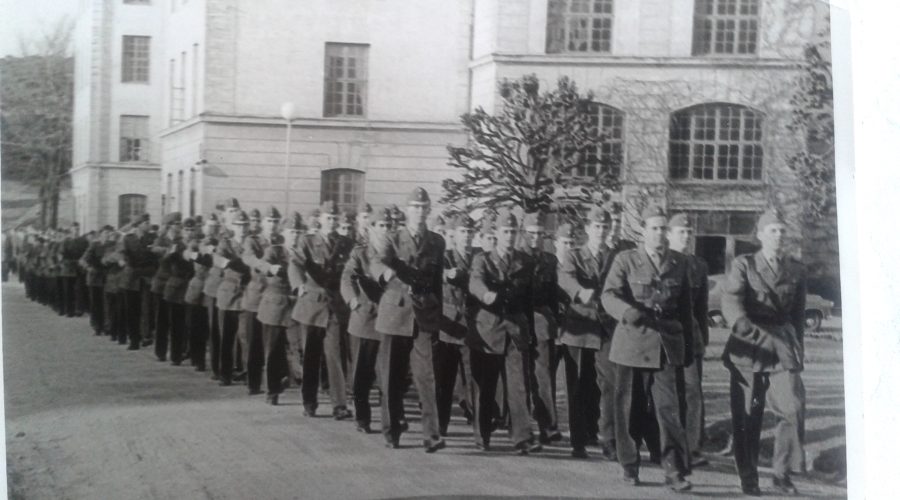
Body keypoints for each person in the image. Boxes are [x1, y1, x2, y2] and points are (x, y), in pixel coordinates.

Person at [601, 205, 693, 493]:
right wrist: (627, 312)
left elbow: (686, 308)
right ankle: (629, 463)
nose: (659, 234)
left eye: (663, 229)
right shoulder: (626, 260)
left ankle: (673, 469)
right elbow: (608, 295)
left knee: (670, 409)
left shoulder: (679, 262)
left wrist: (688, 347)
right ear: (642, 230)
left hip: (667, 344)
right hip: (633, 341)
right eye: (653, 228)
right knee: (630, 408)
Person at [722, 209, 807, 496]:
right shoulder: (744, 264)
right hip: (750, 345)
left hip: (782, 347)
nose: (779, 235)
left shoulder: (795, 269)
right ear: (760, 235)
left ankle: (782, 474)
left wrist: (799, 351)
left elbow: (797, 316)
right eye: (772, 230)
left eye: (782, 230)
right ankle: (748, 475)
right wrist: (740, 323)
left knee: (792, 409)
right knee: (749, 415)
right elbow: (732, 298)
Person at [370, 187, 445, 452]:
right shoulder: (392, 238)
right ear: (407, 210)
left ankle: (431, 434)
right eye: (414, 207)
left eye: (424, 207)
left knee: (427, 375)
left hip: (424, 314)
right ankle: (391, 430)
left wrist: (439, 314)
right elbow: (376, 261)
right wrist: (386, 272)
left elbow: (437, 283)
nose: (419, 212)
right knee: (391, 375)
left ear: (429, 210)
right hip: (395, 313)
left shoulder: (437, 241)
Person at [467, 208, 542, 455]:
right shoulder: (483, 259)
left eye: (513, 231)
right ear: (497, 234)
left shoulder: (526, 261)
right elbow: (475, 281)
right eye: (505, 231)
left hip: (516, 331)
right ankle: (482, 435)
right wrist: (485, 294)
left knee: (519, 385)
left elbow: (529, 300)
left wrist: (529, 331)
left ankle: (522, 437)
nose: (509, 236)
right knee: (486, 386)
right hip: (488, 330)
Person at [557, 207, 618, 460]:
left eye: (605, 227)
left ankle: (611, 440)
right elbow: (565, 278)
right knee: (579, 386)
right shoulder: (574, 255)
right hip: (580, 328)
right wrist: (579, 291)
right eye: (596, 227)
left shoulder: (617, 256)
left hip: (607, 329)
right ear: (588, 229)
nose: (601, 231)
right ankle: (579, 440)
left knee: (610, 385)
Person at [289, 201, 354, 420]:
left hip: (334, 306)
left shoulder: (346, 243)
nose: (332, 222)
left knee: (335, 355)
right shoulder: (308, 241)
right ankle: (309, 401)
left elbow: (353, 271)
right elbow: (295, 263)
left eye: (335, 219)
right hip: (311, 306)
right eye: (328, 218)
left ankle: (339, 404)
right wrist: (298, 284)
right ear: (320, 219)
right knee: (310, 356)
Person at [340, 207, 391, 433]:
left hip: (390, 321)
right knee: (362, 374)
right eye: (381, 225)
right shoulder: (360, 253)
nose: (385, 230)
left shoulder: (397, 253)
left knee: (388, 374)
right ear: (371, 229)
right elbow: (347, 278)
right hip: (365, 319)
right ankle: (363, 417)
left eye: (389, 226)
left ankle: (391, 420)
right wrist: (352, 300)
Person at [667, 213, 711, 468]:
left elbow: (702, 307)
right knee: (667, 393)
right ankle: (664, 445)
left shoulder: (698, 266)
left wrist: (703, 339)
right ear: (669, 235)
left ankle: (693, 448)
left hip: (691, 337)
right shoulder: (664, 260)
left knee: (693, 391)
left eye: (689, 233)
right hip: (666, 335)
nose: (686, 237)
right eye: (680, 232)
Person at [519, 211, 563, 445]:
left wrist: (554, 321)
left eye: (540, 234)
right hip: (519, 323)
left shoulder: (550, 260)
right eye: (531, 233)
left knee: (544, 376)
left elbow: (553, 295)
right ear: (523, 234)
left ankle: (548, 427)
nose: (535, 238)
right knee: (520, 378)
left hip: (542, 325)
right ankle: (522, 429)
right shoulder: (516, 258)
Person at [435, 213, 477, 436]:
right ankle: (441, 424)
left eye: (470, 232)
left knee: (473, 379)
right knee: (445, 380)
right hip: (449, 327)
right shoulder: (445, 257)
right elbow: (433, 275)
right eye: (463, 232)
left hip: (472, 327)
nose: (467, 236)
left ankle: (478, 425)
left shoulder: (479, 257)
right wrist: (446, 274)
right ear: (455, 235)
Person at [256, 232, 292, 405]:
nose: (296, 235)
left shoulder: (307, 248)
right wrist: (270, 268)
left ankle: (287, 375)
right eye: (292, 232)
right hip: (275, 306)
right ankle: (272, 390)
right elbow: (263, 263)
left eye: (299, 232)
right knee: (273, 350)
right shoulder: (275, 250)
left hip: (297, 306)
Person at [215, 210, 251, 386]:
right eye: (239, 225)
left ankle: (247, 372)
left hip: (247, 294)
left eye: (245, 225)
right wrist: (227, 262)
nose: (242, 229)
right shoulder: (226, 243)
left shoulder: (254, 243)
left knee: (245, 336)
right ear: (233, 227)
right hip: (229, 294)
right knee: (227, 336)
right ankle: (225, 374)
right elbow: (218, 258)